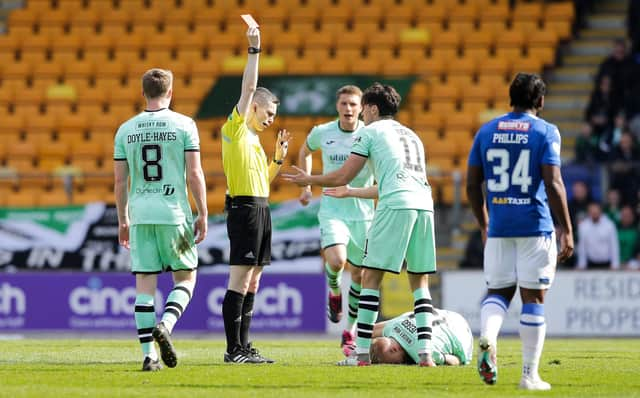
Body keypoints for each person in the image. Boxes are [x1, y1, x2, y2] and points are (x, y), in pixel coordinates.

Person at [285, 83, 437, 367]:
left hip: (395, 206)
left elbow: (343, 174)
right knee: (420, 282)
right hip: (425, 204)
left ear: (372, 108)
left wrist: (309, 180)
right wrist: (352, 192)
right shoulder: (412, 135)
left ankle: (361, 355)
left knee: (370, 278)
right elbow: (389, 184)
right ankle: (426, 354)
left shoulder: (370, 131)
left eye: (363, 108)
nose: (360, 115)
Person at [466, 72, 574, 390]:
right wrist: (566, 228)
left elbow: (472, 183)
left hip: (499, 227)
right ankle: (529, 376)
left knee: (498, 293)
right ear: (540, 101)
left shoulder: (487, 131)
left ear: (510, 98)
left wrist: (484, 222)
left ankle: (488, 336)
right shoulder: (545, 132)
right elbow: (553, 183)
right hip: (534, 225)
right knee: (533, 298)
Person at [114, 68, 208, 371]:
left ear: (143, 93)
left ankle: (149, 356)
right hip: (174, 213)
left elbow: (119, 183)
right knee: (186, 277)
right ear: (171, 92)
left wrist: (122, 220)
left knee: (144, 285)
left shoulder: (125, 129)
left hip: (140, 215)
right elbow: (194, 173)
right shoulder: (184, 125)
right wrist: (204, 212)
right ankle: (166, 325)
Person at [220, 26, 291, 364]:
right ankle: (233, 350)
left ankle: (244, 346)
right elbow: (249, 86)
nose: (271, 120)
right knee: (241, 277)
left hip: (260, 207)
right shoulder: (234, 129)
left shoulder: (256, 142)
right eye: (269, 114)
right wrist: (254, 50)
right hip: (244, 209)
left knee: (255, 280)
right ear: (254, 108)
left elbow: (263, 180)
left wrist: (277, 159)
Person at [298, 85, 374, 354]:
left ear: (361, 107)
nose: (349, 109)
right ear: (337, 106)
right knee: (337, 261)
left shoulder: (370, 134)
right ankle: (333, 289)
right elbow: (305, 151)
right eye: (344, 104)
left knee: (360, 275)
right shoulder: (323, 132)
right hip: (333, 209)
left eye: (354, 104)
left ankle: (349, 331)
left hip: (364, 214)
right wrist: (306, 187)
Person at [367, 308, 473, 366]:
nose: (399, 364)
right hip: (448, 314)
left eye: (395, 363)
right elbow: (366, 331)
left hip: (462, 332)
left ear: (394, 349)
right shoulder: (392, 327)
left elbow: (457, 360)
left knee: (462, 359)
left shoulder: (421, 353)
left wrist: (443, 358)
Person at [576, 201, 619, 270]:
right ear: (588, 212)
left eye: (596, 212)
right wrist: (581, 265)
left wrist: (615, 264)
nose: (594, 214)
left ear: (600, 211)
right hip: (590, 263)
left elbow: (614, 246)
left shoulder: (609, 225)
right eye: (592, 212)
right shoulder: (583, 226)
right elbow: (582, 247)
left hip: (607, 264)